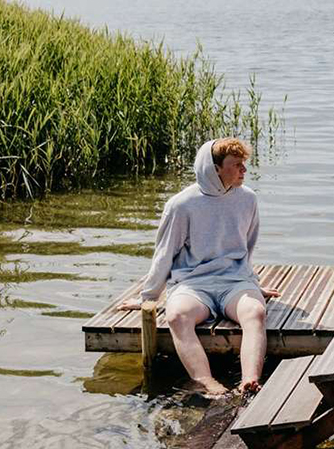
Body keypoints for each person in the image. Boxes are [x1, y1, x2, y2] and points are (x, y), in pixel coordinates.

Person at [118, 138, 278, 397]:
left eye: (244, 164)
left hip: (235, 281)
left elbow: (247, 246)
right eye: (236, 165)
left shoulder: (248, 199)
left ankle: (249, 381)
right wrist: (148, 298)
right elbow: (164, 254)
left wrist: (253, 285)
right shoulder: (181, 205)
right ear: (215, 168)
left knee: (255, 312)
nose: (244, 171)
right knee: (177, 316)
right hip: (192, 284)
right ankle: (206, 382)